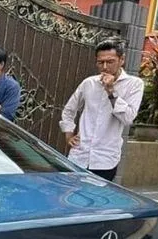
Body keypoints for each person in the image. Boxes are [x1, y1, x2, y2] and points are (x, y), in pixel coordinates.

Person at [59, 39, 144, 182]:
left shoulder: (134, 84)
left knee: (97, 201)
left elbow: (128, 118)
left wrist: (111, 91)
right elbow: (69, 110)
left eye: (110, 62)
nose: (104, 67)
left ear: (121, 60)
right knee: (72, 196)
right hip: (79, 155)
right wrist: (68, 134)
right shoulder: (89, 83)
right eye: (100, 62)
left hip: (105, 159)